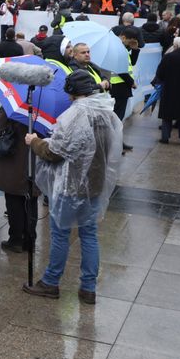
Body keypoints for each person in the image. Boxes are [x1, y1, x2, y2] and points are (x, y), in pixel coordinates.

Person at [23, 71, 122, 305]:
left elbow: (55, 153)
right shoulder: (105, 111)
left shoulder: (74, 115)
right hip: (94, 184)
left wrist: (35, 141)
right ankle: (88, 288)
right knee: (89, 235)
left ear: (70, 91)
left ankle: (51, 282)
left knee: (60, 234)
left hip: (70, 185)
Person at [0, 107, 37, 253]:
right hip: (34, 159)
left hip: (14, 159)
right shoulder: (44, 105)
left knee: (14, 199)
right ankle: (30, 240)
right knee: (31, 199)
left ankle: (16, 240)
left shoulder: (14, 106)